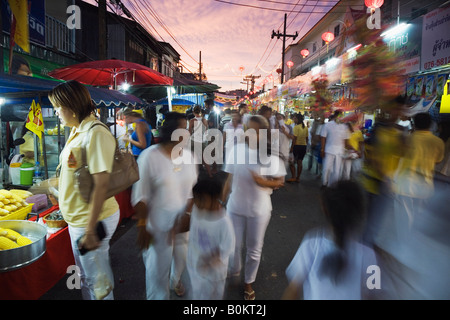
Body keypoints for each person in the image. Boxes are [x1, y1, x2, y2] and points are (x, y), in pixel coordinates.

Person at [48, 80, 120, 300]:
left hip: (91, 219)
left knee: (98, 283)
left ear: (71, 106)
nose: (57, 112)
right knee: (89, 279)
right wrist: (57, 190)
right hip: (78, 218)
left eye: (58, 107)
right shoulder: (77, 130)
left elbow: (101, 184)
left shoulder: (95, 133)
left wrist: (90, 230)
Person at [131, 112, 198, 300]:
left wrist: (187, 214)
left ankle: (174, 281)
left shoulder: (189, 157)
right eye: (184, 128)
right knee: (156, 276)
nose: (188, 132)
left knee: (181, 263)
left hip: (182, 225)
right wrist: (142, 224)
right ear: (172, 132)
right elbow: (140, 196)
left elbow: (191, 191)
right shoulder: (149, 157)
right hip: (157, 229)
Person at [223, 115, 286, 300]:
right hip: (234, 206)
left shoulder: (271, 154)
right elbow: (229, 178)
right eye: (247, 129)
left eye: (255, 130)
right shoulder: (235, 149)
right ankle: (234, 270)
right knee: (233, 245)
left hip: (259, 210)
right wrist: (220, 201)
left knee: (254, 249)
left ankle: (248, 282)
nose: (249, 133)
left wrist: (262, 182)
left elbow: (279, 182)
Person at [282, 180, 379, 300]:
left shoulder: (311, 245)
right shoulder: (370, 256)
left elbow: (293, 290)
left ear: (325, 209)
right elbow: (373, 295)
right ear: (361, 212)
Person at [187, 176, 235, 300]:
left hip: (214, 273)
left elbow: (228, 246)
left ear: (215, 199)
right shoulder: (197, 210)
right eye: (195, 198)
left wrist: (208, 260)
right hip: (196, 266)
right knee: (197, 295)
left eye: (201, 199)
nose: (197, 202)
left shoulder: (224, 222)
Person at [320, 110, 350, 187]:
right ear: (335, 116)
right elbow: (323, 137)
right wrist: (322, 149)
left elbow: (346, 140)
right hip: (329, 150)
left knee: (337, 171)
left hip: (340, 152)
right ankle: (324, 183)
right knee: (326, 168)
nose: (340, 118)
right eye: (339, 116)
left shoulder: (344, 127)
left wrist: (348, 151)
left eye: (341, 116)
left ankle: (332, 186)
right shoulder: (328, 125)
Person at [288, 113, 308, 182]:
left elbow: (294, 139)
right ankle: (298, 178)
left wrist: (291, 148)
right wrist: (306, 146)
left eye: (295, 118)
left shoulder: (296, 127)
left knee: (291, 162)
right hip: (303, 146)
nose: (294, 119)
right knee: (300, 162)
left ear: (298, 119)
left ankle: (293, 176)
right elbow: (307, 138)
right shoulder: (305, 127)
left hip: (296, 146)